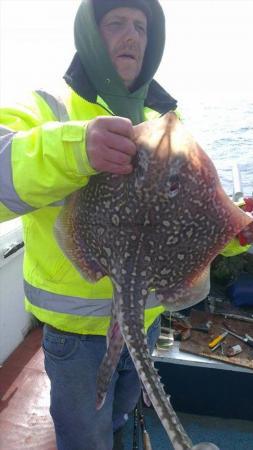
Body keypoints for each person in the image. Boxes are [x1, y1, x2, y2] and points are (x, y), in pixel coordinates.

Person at [0, 1, 251, 449]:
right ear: (90, 36)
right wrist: (78, 150)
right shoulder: (47, 106)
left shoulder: (163, 122)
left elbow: (196, 220)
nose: (132, 35)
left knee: (117, 417)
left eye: (141, 26)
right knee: (84, 437)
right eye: (116, 23)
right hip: (74, 339)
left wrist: (236, 234)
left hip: (148, 320)